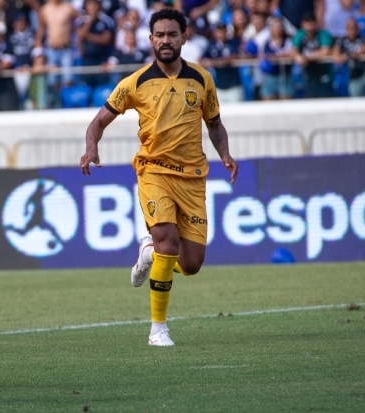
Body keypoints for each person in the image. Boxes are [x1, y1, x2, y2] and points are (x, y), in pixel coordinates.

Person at [79, 9, 239, 347]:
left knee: (191, 263)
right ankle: (158, 329)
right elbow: (98, 122)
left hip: (193, 178)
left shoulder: (202, 79)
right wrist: (91, 148)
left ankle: (148, 254)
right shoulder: (135, 82)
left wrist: (225, 154)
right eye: (160, 35)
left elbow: (214, 124)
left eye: (172, 34)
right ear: (150, 39)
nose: (166, 40)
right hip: (154, 171)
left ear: (184, 38)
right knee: (168, 243)